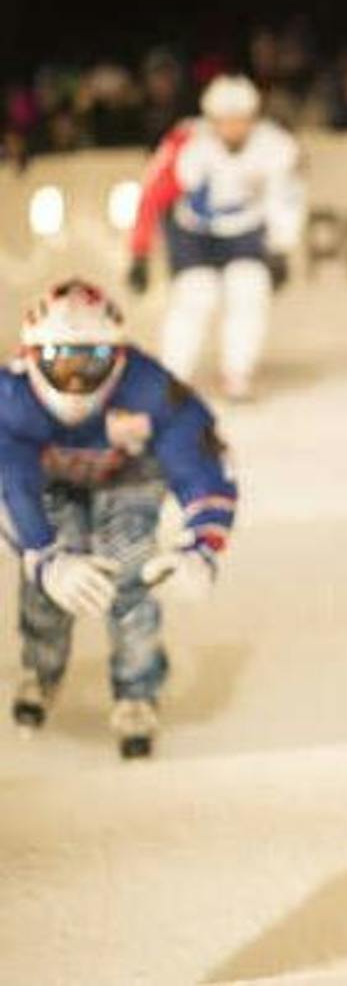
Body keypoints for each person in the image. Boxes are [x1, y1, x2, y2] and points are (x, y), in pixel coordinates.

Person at [1, 279, 237, 758]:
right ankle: (40, 667)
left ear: (120, 356)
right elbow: (9, 484)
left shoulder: (152, 388)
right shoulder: (9, 398)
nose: (75, 378)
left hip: (128, 476)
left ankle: (137, 688)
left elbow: (205, 464)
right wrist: (44, 555)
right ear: (31, 357)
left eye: (92, 361)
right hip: (51, 486)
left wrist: (201, 549)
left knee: (131, 565)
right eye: (61, 361)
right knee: (52, 579)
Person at [126, 74, 306, 401]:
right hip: (192, 231)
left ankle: (238, 373)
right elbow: (153, 193)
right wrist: (139, 251)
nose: (234, 130)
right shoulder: (187, 142)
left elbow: (287, 198)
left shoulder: (276, 146)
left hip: (245, 230)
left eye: (242, 121)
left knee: (249, 286)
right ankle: (173, 378)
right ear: (211, 120)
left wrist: (281, 248)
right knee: (197, 292)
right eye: (225, 122)